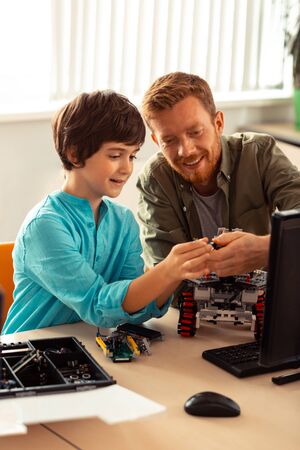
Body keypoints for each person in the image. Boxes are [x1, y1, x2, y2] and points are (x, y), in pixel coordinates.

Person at [2, 90, 212, 334]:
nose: (126, 168)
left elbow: (134, 309)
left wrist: (178, 271)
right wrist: (167, 270)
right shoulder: (45, 226)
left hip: (90, 351)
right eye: (115, 155)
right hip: (29, 355)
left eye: (132, 156)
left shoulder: (123, 222)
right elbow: (97, 305)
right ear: (74, 153)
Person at [137, 72, 300, 278]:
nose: (186, 151)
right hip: (192, 308)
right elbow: (163, 277)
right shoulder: (154, 180)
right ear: (156, 141)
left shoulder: (259, 152)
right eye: (169, 140)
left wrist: (266, 249)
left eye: (195, 132)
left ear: (219, 123)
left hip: (265, 302)